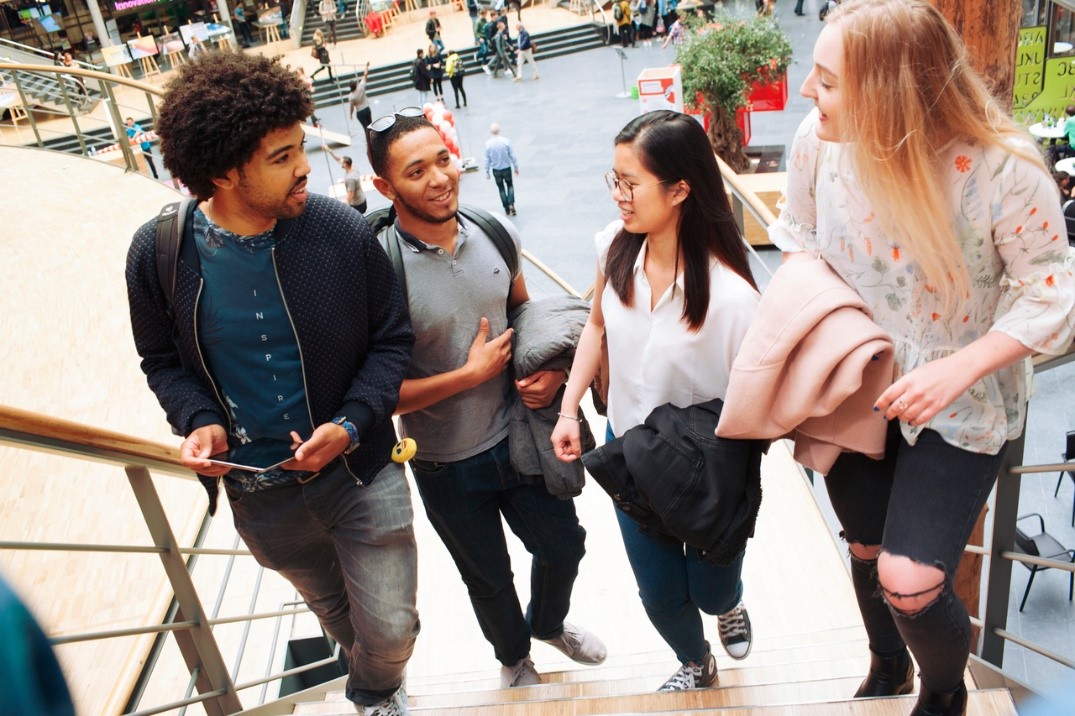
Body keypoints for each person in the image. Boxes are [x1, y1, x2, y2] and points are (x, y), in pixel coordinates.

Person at [768, 2, 1075, 714]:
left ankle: (941, 690)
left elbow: (1051, 295)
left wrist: (958, 366)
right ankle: (885, 666)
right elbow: (799, 240)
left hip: (964, 394)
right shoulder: (817, 144)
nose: (806, 93)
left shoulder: (1003, 169)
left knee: (910, 576)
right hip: (857, 378)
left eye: (827, 79)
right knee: (867, 549)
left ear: (891, 92)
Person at [124, 53, 418, 716]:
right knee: (338, 613)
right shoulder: (158, 254)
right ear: (226, 172)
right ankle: (380, 690)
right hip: (260, 495)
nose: (304, 166)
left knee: (393, 627)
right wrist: (197, 417)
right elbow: (160, 362)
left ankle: (373, 689)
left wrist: (347, 425)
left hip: (361, 474)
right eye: (282, 155)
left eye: (301, 145)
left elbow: (391, 341)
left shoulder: (339, 231)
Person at [366, 107, 606, 689]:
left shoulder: (494, 231)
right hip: (443, 461)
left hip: (519, 436)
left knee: (563, 544)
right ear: (385, 186)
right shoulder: (378, 268)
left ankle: (548, 623)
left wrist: (552, 371)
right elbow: (376, 394)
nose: (439, 178)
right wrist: (467, 376)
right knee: (488, 577)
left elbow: (523, 311)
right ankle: (514, 658)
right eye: (416, 170)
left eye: (442, 160)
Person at [551, 110, 760, 692]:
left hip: (708, 463)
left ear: (680, 190)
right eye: (612, 179)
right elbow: (595, 328)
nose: (618, 196)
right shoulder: (614, 247)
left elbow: (757, 395)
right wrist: (570, 409)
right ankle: (696, 662)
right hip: (630, 454)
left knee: (711, 586)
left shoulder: (732, 298)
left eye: (630, 183)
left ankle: (728, 605)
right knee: (660, 590)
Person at [484, 123, 519, 215]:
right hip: (506, 167)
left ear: (490, 132)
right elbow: (512, 155)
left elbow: (487, 159)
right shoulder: (506, 141)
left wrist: (487, 171)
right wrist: (516, 166)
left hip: (496, 169)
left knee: (501, 188)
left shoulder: (488, 144)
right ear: (499, 130)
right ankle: (511, 203)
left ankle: (506, 207)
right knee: (510, 185)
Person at [324, 146, 368, 212]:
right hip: (362, 199)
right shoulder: (353, 167)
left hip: (357, 205)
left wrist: (343, 205)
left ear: (345, 164)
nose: (340, 163)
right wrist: (328, 150)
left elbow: (350, 195)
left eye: (342, 163)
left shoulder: (350, 179)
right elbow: (338, 159)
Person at [348, 63, 373, 131]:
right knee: (371, 125)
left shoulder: (351, 96)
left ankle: (369, 140)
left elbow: (352, 107)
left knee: (366, 128)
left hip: (360, 112)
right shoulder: (361, 86)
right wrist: (367, 66)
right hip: (366, 108)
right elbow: (365, 75)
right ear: (356, 85)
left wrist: (351, 114)